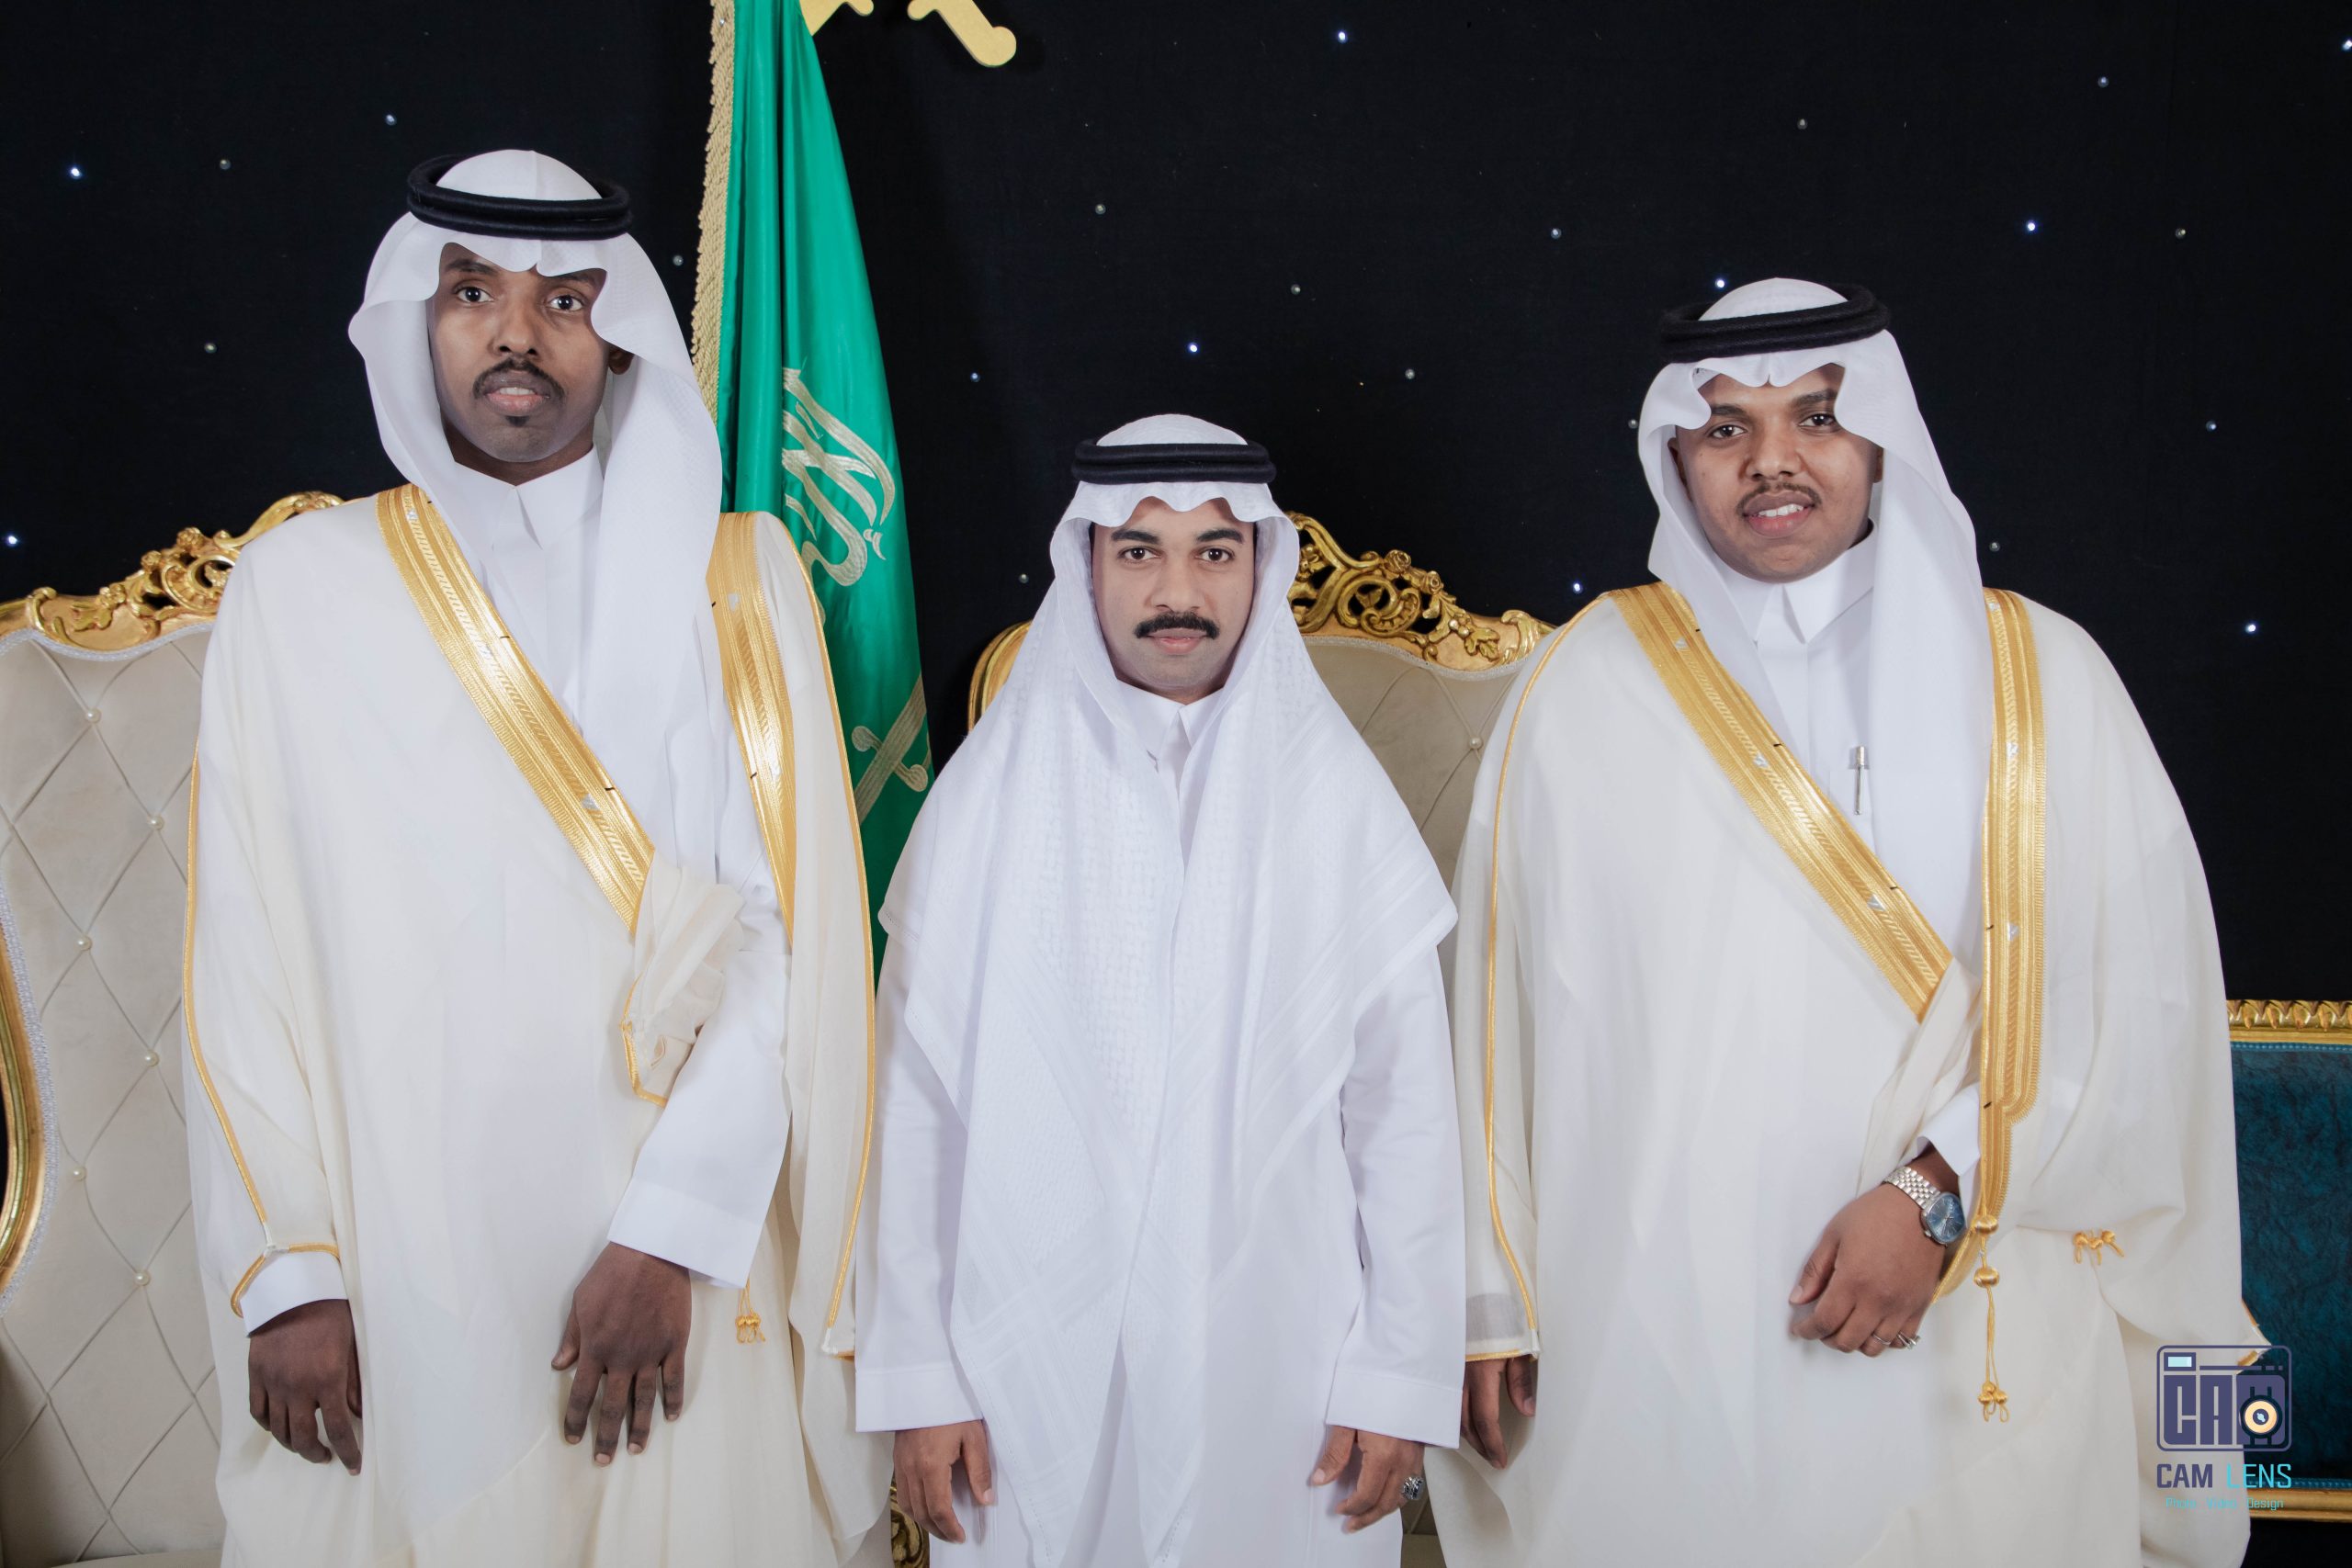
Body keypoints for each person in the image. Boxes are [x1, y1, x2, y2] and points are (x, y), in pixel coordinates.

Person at [1428, 279, 2247, 1567]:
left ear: (1881, 441)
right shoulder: (1581, 684)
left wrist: (1935, 1195)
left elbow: (2142, 1003)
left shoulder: (2044, 677)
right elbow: (1491, 1015)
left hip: (1967, 1304)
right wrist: (1487, 1297)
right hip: (1659, 1319)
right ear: (1675, 457)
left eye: (1815, 416)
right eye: (1726, 428)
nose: (1772, 460)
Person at [184, 150, 889, 1565]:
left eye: (564, 298)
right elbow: (237, 949)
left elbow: (781, 933)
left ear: (616, 335)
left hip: (675, 1258)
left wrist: (675, 1229)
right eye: (473, 293)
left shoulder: (737, 579)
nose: (517, 332)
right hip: (398, 1261)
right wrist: (289, 1265)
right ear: (417, 319)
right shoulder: (299, 590)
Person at [858, 415, 1464, 1566]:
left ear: (1260, 565)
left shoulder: (1334, 798)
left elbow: (1406, 1119)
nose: (1176, 592)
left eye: (1213, 552)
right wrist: (918, 1374)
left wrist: (1399, 1373)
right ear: (1086, 563)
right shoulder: (989, 799)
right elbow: (915, 1113)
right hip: (1016, 1354)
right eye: (1138, 550)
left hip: (1286, 1371)